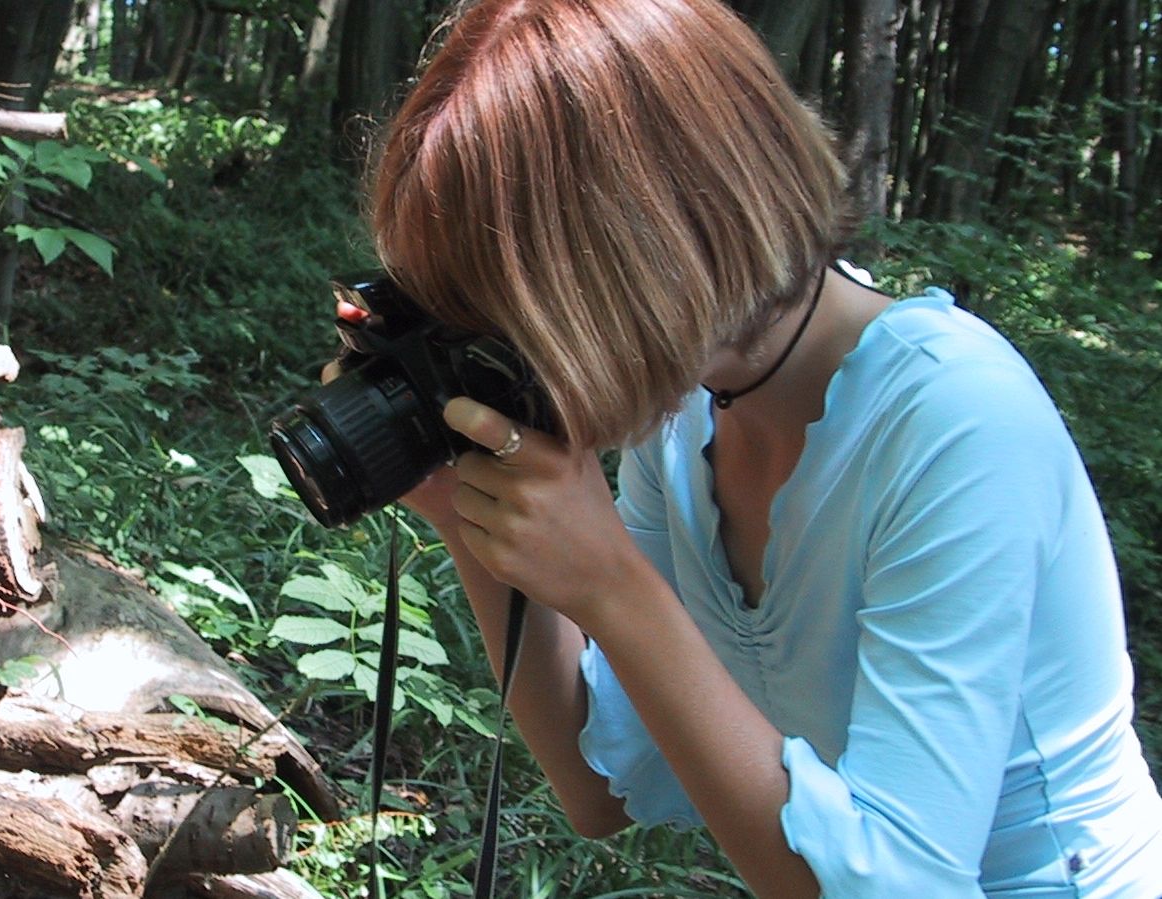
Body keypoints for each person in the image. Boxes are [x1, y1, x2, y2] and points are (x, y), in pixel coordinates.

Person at [348, 0, 1162, 895]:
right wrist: (465, 511)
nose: (496, 347)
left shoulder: (958, 421)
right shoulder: (687, 409)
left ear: (640, 243)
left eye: (502, 302)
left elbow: (911, 884)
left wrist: (615, 589)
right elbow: (603, 784)